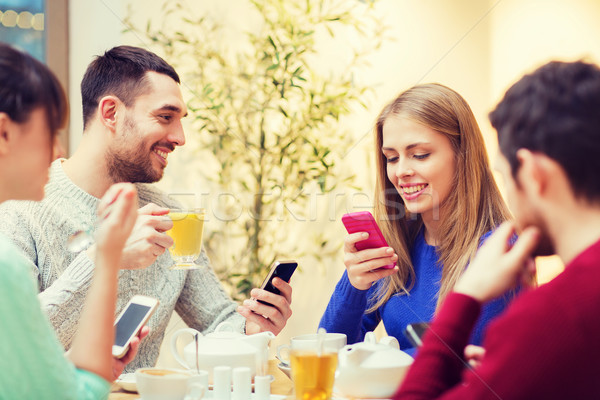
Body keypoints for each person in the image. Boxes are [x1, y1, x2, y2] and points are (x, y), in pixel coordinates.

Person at [0, 45, 292, 372]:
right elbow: (10, 339)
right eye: (165, 117)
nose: (180, 137)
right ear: (111, 113)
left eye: (180, 121)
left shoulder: (168, 214)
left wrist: (250, 330)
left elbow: (216, 320)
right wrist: (105, 258)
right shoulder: (18, 205)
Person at [395, 60, 600, 399]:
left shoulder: (554, 317)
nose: (402, 171)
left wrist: (466, 296)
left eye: (505, 176)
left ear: (534, 174)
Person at [320, 83, 516, 352]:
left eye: (419, 155)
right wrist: (354, 285)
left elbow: (458, 364)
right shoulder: (396, 246)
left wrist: (377, 360)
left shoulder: (499, 249)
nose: (401, 171)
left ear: (462, 155)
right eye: (391, 158)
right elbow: (325, 351)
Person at [0, 42, 144, 399]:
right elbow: (80, 394)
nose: (58, 150)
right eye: (51, 131)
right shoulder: (6, 265)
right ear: (4, 133)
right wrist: (108, 255)